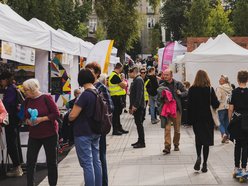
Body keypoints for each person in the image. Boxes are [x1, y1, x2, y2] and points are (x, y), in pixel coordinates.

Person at [22, 78, 60, 186]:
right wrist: (27, 121)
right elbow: (23, 115)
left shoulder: (46, 98)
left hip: (50, 134)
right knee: (30, 162)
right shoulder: (27, 100)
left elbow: (56, 114)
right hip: (34, 135)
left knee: (52, 163)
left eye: (26, 90)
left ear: (33, 89)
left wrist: (41, 119)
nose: (25, 92)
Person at [69, 68, 102, 186]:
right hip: (95, 130)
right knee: (96, 161)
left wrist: (68, 117)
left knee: (87, 164)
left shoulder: (85, 95)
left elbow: (72, 115)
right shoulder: (97, 92)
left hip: (83, 132)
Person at [85, 62, 114, 186]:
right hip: (89, 129)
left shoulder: (101, 88)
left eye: (90, 72)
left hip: (99, 127)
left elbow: (111, 107)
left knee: (100, 158)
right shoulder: (87, 88)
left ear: (97, 73)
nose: (88, 74)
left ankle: (103, 183)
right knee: (93, 159)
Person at [188, 70, 219, 173]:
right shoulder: (210, 89)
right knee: (206, 142)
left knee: (198, 139)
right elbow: (216, 104)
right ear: (207, 77)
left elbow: (189, 106)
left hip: (196, 119)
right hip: (208, 119)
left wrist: (190, 120)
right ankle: (205, 163)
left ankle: (198, 157)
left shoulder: (192, 89)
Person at [0, 71, 23, 177]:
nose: (1, 82)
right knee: (15, 142)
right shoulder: (14, 88)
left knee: (12, 143)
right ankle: (18, 166)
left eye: (2, 80)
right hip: (15, 120)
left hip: (12, 120)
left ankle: (17, 167)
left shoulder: (10, 90)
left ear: (5, 79)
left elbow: (6, 106)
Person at [159, 69, 188, 154]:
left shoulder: (178, 84)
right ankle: (167, 147)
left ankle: (176, 144)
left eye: (167, 75)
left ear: (171, 75)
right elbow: (158, 97)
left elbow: (186, 92)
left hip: (176, 110)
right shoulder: (162, 85)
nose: (165, 76)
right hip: (166, 110)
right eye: (164, 75)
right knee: (167, 129)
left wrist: (180, 94)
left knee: (177, 129)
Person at [228, 70, 248, 177]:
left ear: (238, 79)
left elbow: (230, 109)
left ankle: (236, 168)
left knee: (237, 145)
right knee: (245, 145)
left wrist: (230, 121)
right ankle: (244, 168)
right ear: (247, 80)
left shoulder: (233, 92)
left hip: (237, 121)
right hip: (247, 121)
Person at [108, 62, 128, 135]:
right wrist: (124, 82)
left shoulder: (116, 75)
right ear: (120, 68)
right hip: (115, 97)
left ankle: (119, 128)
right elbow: (123, 85)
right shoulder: (114, 76)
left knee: (118, 113)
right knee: (116, 114)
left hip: (117, 97)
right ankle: (115, 130)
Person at [129, 67, 145, 148]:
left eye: (130, 72)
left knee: (139, 124)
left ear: (134, 72)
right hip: (136, 106)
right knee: (138, 124)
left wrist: (135, 106)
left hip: (139, 107)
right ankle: (140, 140)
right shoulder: (136, 80)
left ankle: (142, 142)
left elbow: (139, 94)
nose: (128, 74)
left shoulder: (138, 80)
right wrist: (130, 106)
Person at [216, 75, 232, 143]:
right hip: (228, 107)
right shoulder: (230, 88)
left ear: (224, 81)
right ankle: (227, 138)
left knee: (219, 122)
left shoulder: (219, 88)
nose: (219, 80)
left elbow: (218, 98)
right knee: (226, 123)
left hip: (221, 107)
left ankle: (224, 134)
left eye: (220, 79)